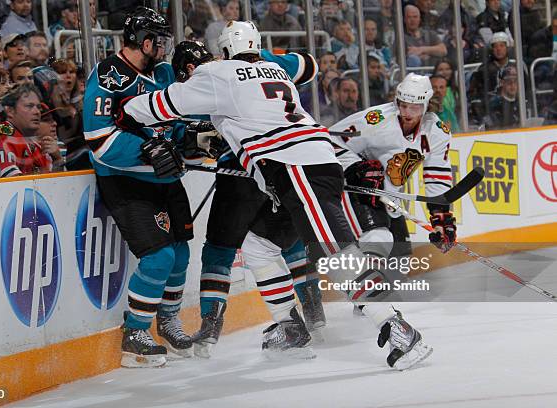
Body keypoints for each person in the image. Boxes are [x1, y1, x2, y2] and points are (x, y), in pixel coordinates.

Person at [120, 21, 433, 370]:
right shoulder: (276, 69)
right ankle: (290, 327)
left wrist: (123, 109)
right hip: (305, 164)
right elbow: (307, 67)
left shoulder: (218, 73)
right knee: (258, 246)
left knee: (336, 255)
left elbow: (163, 104)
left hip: (296, 168)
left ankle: (397, 328)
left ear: (224, 51)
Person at [170, 39, 326, 358]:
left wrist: (194, 141)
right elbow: (310, 64)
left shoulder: (203, 80)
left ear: (187, 68)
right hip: (283, 166)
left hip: (241, 174)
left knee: (220, 248)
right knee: (290, 240)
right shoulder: (251, 68)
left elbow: (189, 133)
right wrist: (263, 59)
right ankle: (315, 315)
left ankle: (210, 329)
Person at [83, 7, 193, 368]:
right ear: (144, 41)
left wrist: (189, 137)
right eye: (159, 40)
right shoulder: (108, 76)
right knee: (158, 256)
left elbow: (172, 122)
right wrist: (147, 152)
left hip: (166, 180)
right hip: (127, 181)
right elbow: (99, 141)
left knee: (180, 255)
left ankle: (168, 319)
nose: (163, 47)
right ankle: (134, 332)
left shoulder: (162, 72)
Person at [330, 73, 451, 369]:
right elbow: (328, 139)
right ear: (397, 100)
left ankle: (367, 299)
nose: (407, 113)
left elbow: (437, 175)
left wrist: (442, 219)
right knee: (377, 240)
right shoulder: (375, 120)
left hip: (390, 196)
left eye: (414, 108)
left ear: (425, 107)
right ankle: (379, 311)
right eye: (403, 105)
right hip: (358, 191)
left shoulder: (437, 131)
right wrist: (356, 166)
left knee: (399, 262)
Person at [0, 83, 64, 176]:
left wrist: (58, 160)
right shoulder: (2, 131)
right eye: (29, 106)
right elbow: (12, 184)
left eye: (38, 107)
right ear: (10, 111)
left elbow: (54, 185)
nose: (37, 112)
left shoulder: (37, 146)